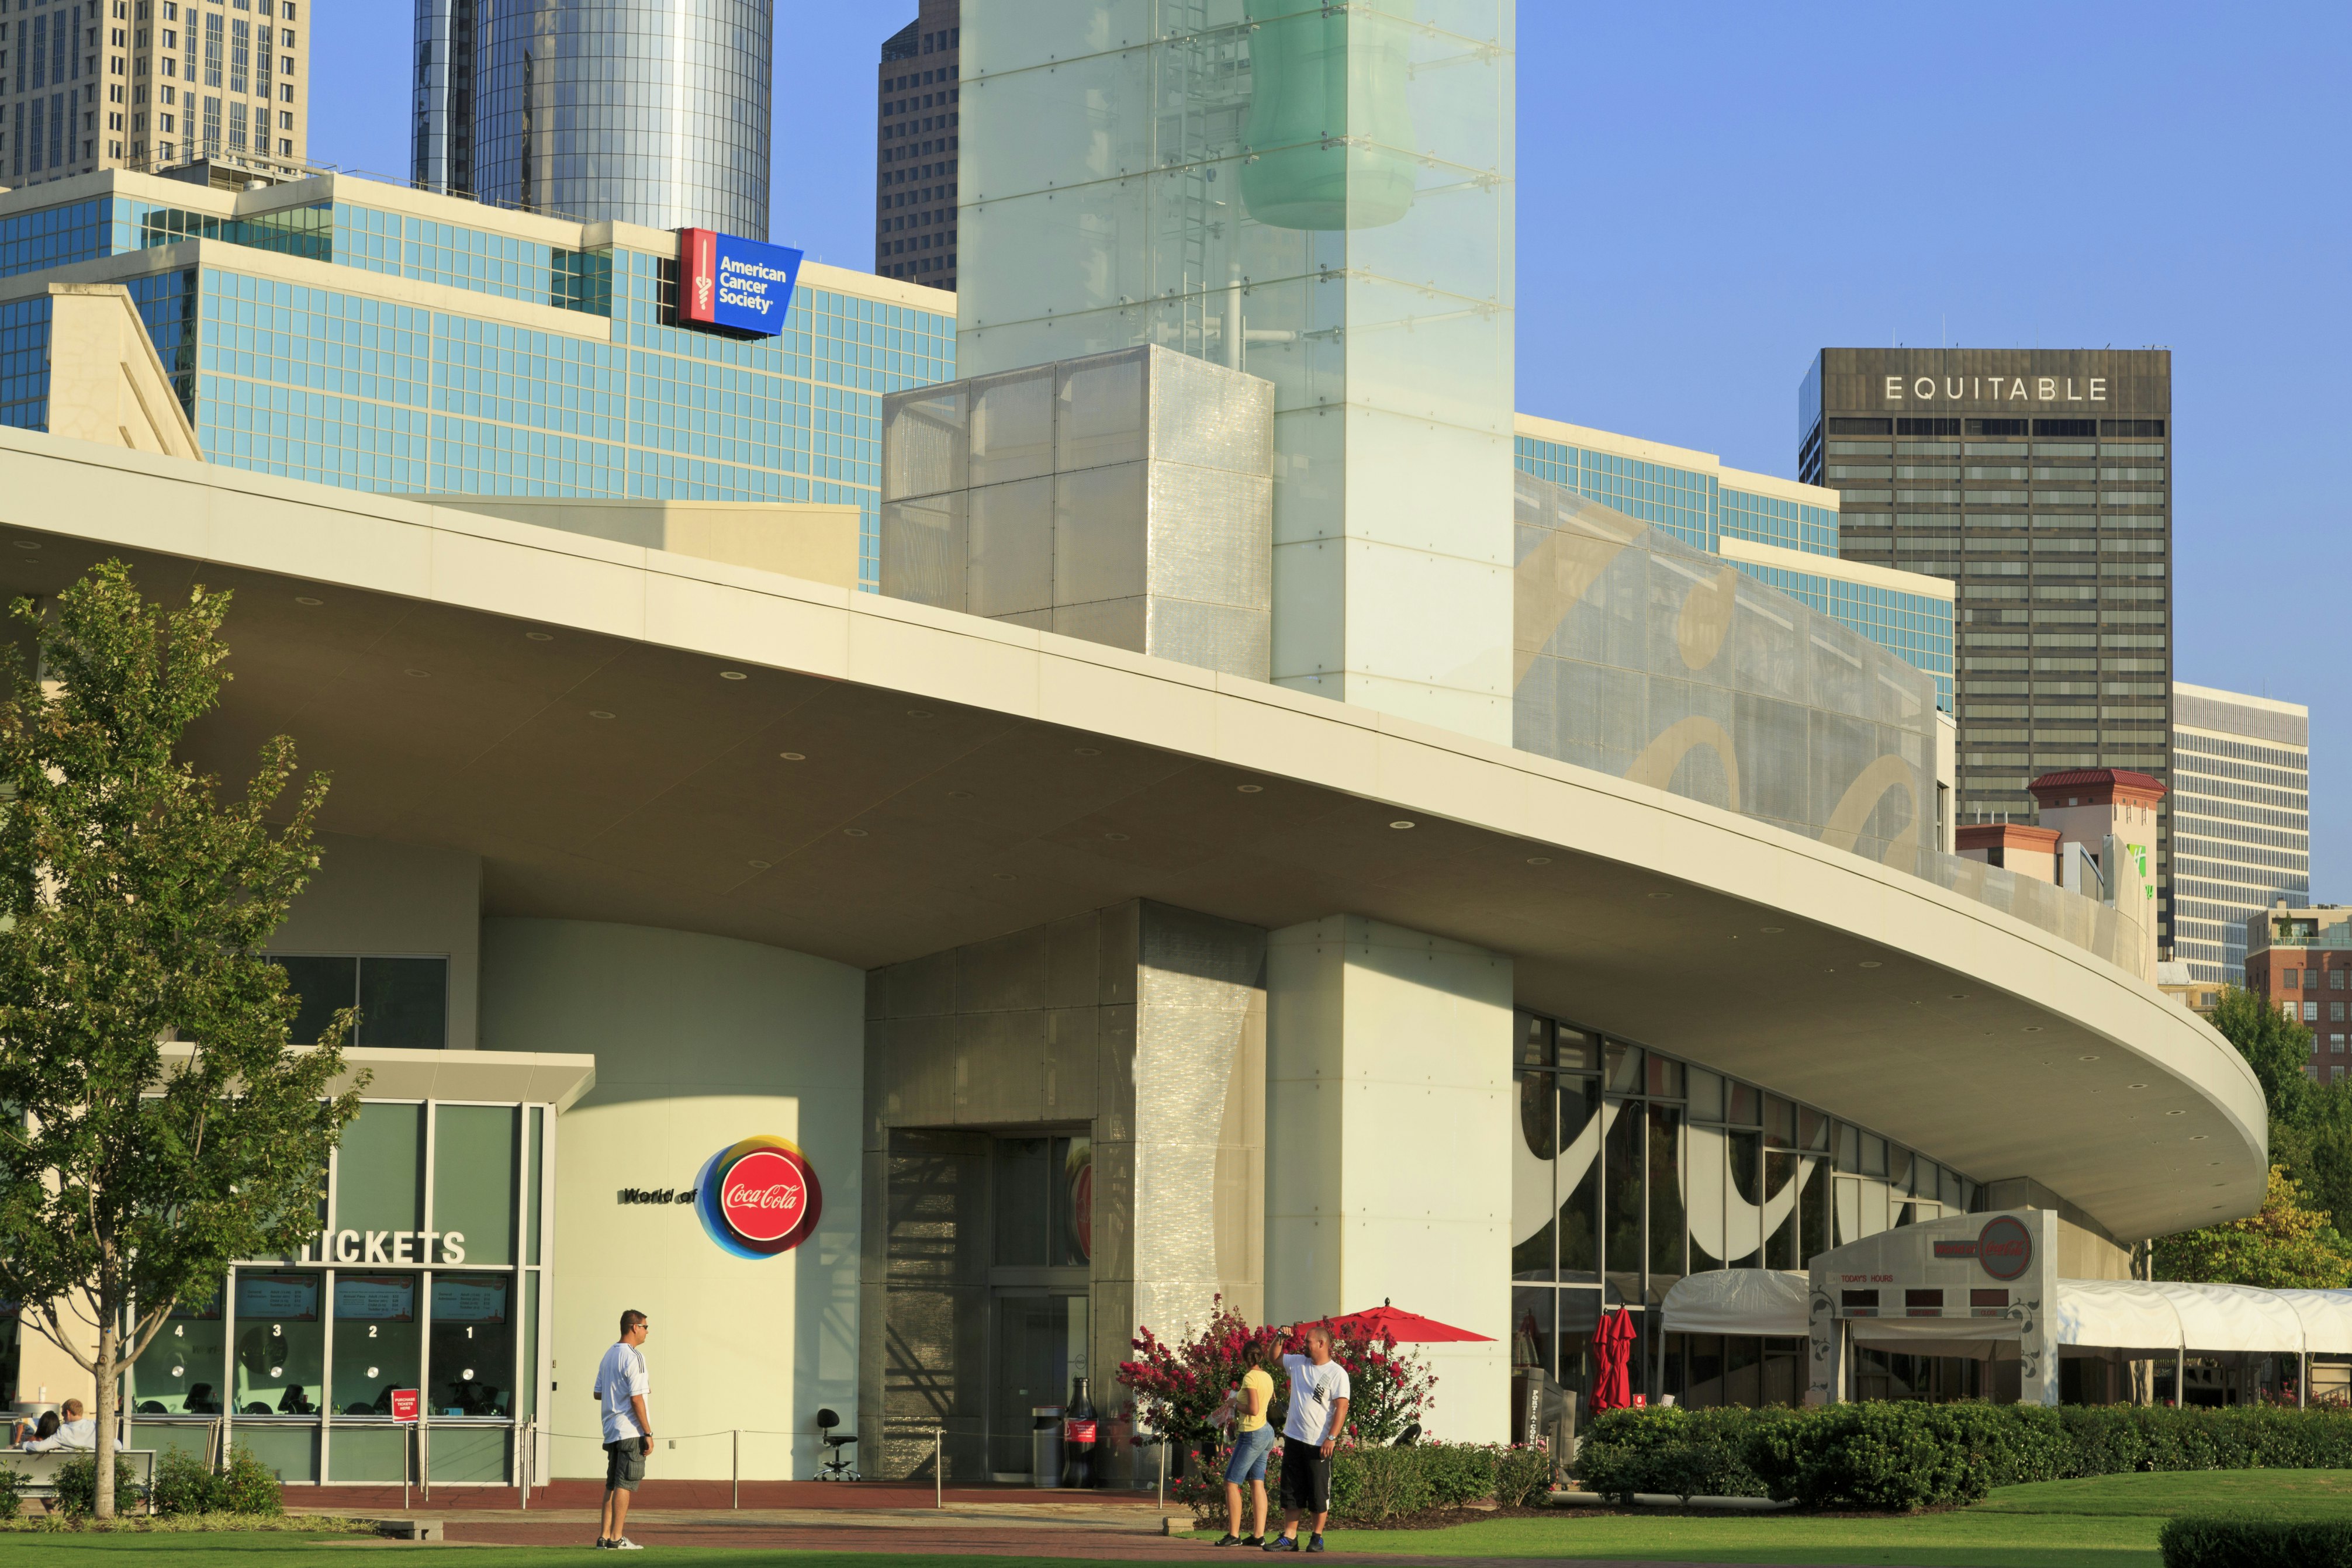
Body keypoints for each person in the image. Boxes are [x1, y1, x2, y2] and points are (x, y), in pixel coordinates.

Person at [1264, 1325, 1349, 1553]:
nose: (1304, 1345)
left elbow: (1342, 1408)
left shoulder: (1337, 1373)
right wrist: (1280, 1337)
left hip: (1319, 1443)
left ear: (1322, 1344)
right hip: (1294, 1437)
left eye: (1308, 1341)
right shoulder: (1299, 1363)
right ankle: (1289, 1537)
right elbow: (1274, 1358)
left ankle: (1317, 1537)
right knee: (1292, 1491)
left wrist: (1332, 1437)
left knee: (1318, 1492)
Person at [593, 1311, 653, 1550]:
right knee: (625, 1484)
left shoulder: (609, 1355)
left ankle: (604, 1537)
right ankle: (617, 1538)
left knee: (612, 1484)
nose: (648, 1331)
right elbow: (637, 1399)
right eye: (646, 1326)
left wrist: (615, 1391)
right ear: (634, 1327)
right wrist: (647, 1433)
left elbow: (598, 1392)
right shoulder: (634, 1356)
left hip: (611, 1428)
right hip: (630, 1430)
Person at [1213, 1360, 1277, 1547]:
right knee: (1257, 1483)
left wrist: (1234, 1403)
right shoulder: (1267, 1376)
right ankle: (1259, 1536)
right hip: (1266, 1432)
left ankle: (1234, 1535)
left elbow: (1253, 1409)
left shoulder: (1250, 1377)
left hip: (1252, 1433)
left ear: (1245, 1358)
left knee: (1231, 1483)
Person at [22, 1400, 95, 1451]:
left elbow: (38, 1448)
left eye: (63, 1414)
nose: (63, 1417)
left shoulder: (63, 1431)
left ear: (68, 1413)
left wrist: (22, 1445)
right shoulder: (95, 1425)